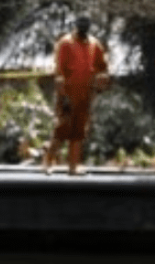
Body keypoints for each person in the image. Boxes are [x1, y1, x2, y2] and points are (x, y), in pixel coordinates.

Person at [43, 16, 110, 176]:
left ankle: (73, 166)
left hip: (85, 92)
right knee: (62, 129)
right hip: (68, 92)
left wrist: (102, 79)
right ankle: (48, 162)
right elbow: (59, 70)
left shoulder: (94, 43)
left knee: (79, 131)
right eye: (80, 26)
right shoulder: (66, 43)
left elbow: (102, 65)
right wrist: (62, 94)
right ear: (76, 26)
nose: (83, 29)